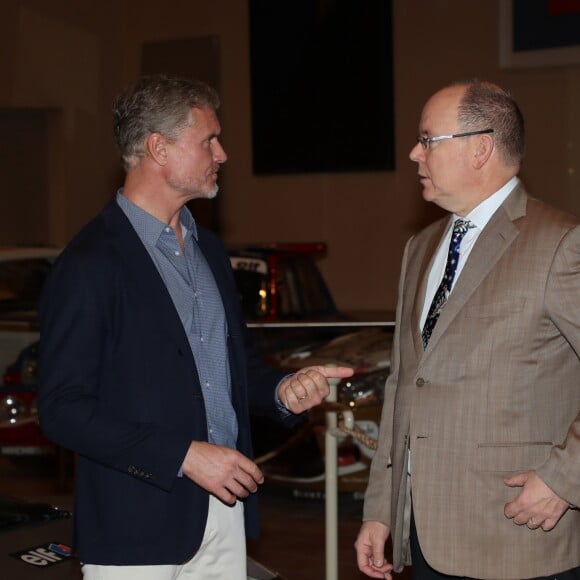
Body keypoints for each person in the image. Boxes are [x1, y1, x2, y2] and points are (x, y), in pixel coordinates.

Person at [37, 74, 353, 579]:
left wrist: (282, 391)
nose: (222, 153)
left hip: (223, 511)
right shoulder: (90, 264)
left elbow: (233, 369)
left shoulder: (207, 249)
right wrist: (184, 457)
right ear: (158, 149)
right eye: (208, 140)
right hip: (133, 527)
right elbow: (61, 410)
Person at [355, 80, 580, 580]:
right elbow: (404, 386)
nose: (415, 153)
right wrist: (380, 509)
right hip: (427, 537)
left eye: (427, 139)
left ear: (481, 147)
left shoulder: (560, 244)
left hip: (519, 538)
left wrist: (567, 479)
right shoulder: (420, 247)